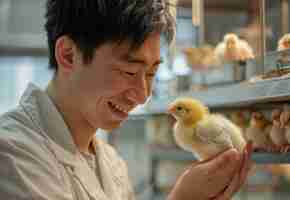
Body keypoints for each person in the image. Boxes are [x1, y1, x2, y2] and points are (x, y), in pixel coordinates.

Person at [0, 0, 252, 199]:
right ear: (68, 55)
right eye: (129, 71)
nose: (143, 95)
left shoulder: (111, 163)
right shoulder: (13, 154)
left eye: (152, 72)